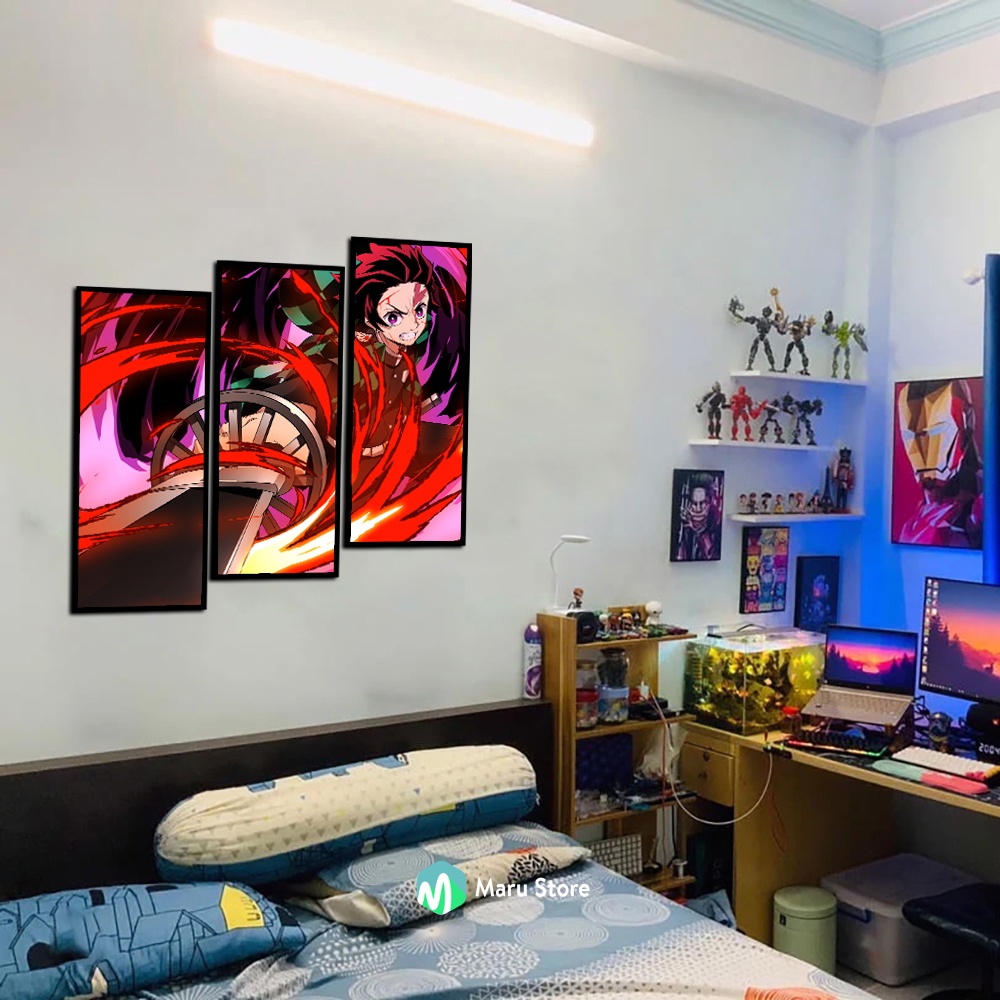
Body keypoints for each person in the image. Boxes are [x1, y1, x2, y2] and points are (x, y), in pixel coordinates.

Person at [350, 242, 468, 541]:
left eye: (419, 310)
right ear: (370, 318)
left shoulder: (402, 362)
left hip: (391, 453)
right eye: (394, 316)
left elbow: (406, 406)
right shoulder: (360, 358)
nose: (413, 325)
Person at [896, 379, 983, 548]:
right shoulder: (915, 523)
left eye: (936, 431)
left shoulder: (984, 504)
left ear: (966, 422)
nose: (921, 451)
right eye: (910, 436)